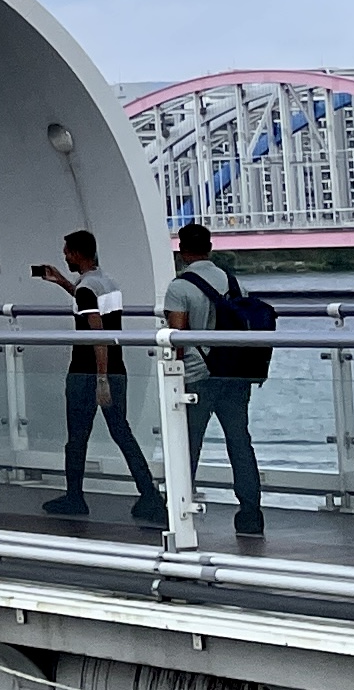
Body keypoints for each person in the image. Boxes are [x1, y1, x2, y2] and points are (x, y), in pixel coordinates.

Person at [29, 228, 164, 525]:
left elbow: (96, 333)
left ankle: (74, 497)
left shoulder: (87, 289)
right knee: (122, 432)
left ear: (78, 254)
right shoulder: (107, 283)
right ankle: (150, 494)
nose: (65, 257)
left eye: (67, 253)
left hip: (87, 372)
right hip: (117, 367)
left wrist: (100, 379)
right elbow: (92, 307)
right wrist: (64, 283)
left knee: (77, 437)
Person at [162, 222, 266, 537]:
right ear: (210, 247)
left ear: (182, 250)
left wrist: (174, 377)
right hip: (235, 373)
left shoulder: (179, 287)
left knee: (188, 444)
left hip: (198, 375)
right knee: (240, 440)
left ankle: (179, 508)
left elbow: (176, 337)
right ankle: (251, 511)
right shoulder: (234, 283)